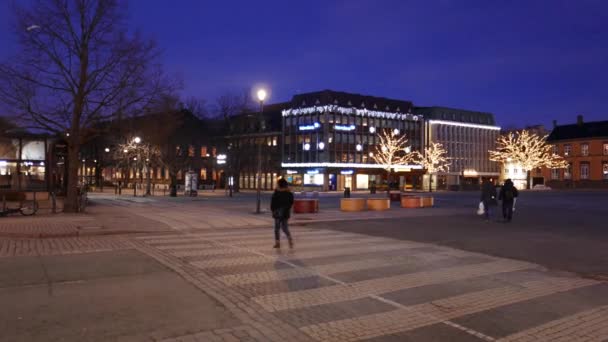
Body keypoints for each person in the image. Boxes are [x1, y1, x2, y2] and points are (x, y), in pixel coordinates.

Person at [270, 178, 294, 248]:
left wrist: (273, 210)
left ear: (279, 185)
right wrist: (287, 209)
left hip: (277, 213)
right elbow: (291, 202)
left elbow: (272, 203)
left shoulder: (276, 193)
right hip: (285, 212)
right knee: (285, 228)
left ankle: (277, 243)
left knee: (277, 228)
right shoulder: (289, 193)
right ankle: (290, 239)